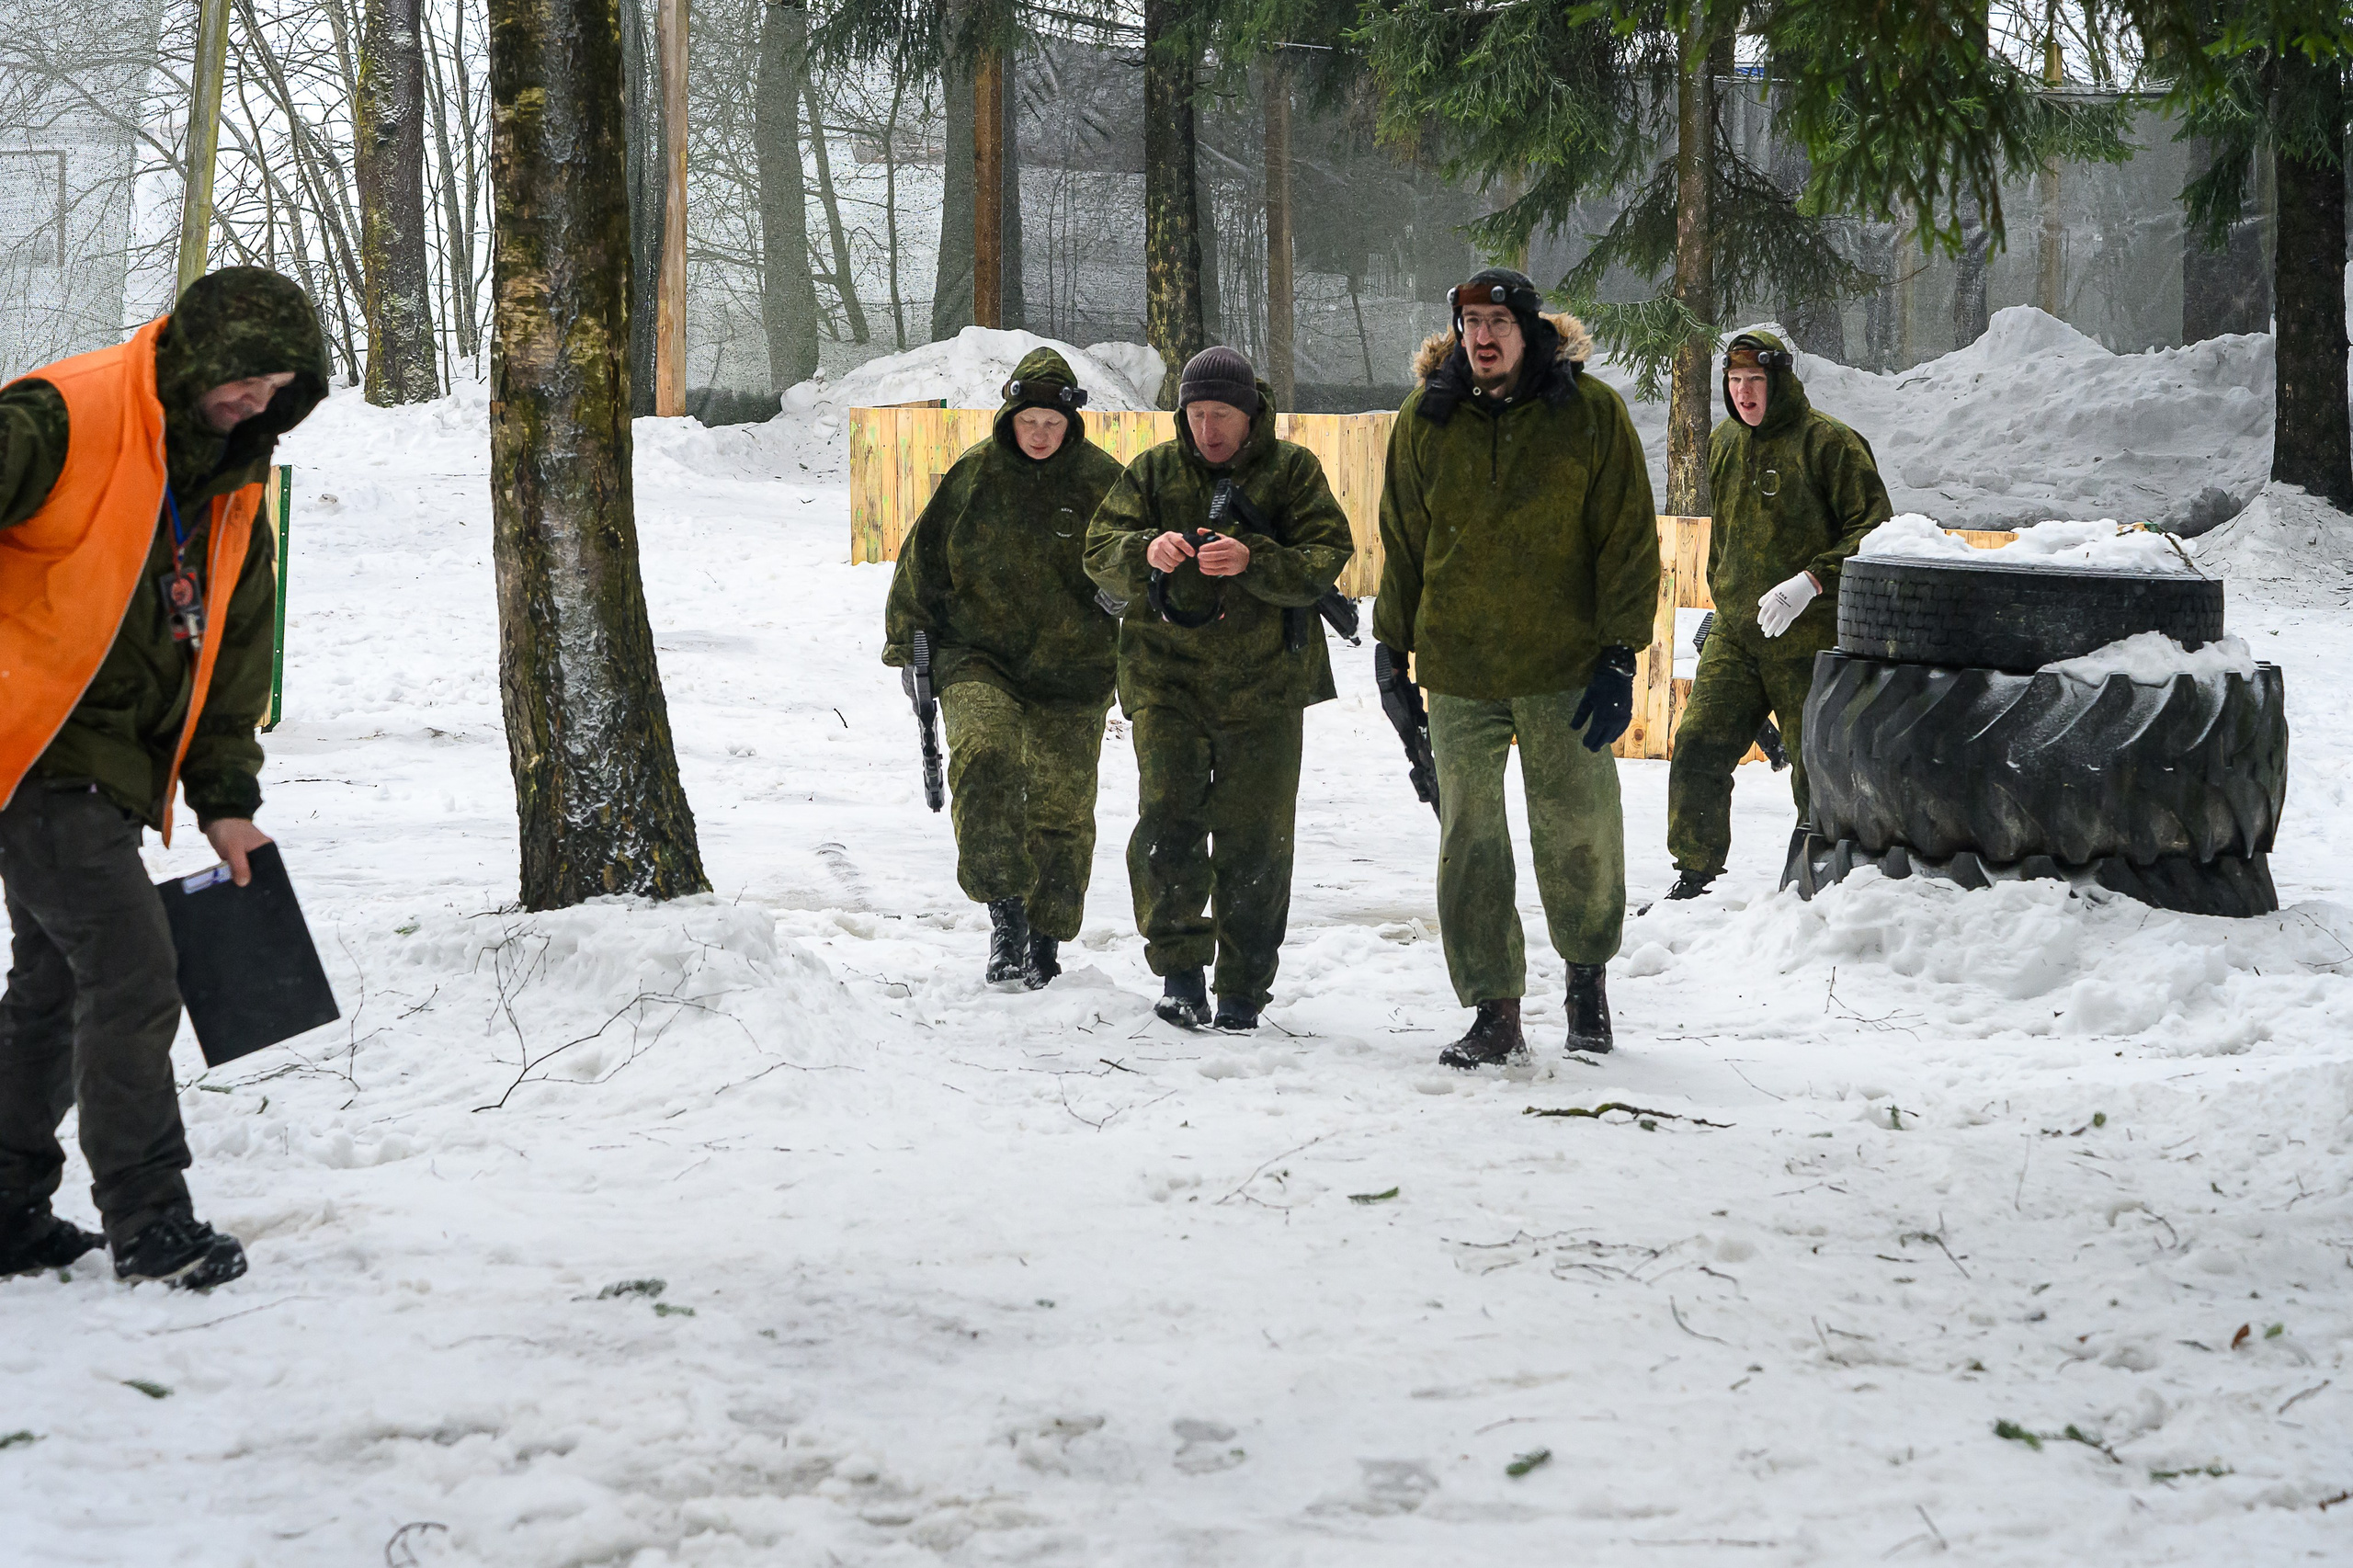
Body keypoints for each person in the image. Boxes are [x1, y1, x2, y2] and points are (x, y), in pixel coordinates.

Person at [0, 267, 328, 1289]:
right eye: (244, 378)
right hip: (32, 752)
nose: (257, 401)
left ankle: (5, 1208)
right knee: (136, 973)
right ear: (196, 356)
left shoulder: (234, 492)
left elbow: (231, 660)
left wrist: (227, 806)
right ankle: (150, 1219)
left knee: (57, 983)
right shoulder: (66, 414)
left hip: (105, 771)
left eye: (279, 385)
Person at [1373, 267, 1661, 1069]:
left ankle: (1585, 980)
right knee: (1470, 841)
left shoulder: (1590, 414)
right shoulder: (1425, 419)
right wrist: (1392, 657)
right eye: (1469, 322)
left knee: (1579, 833)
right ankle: (1494, 1010)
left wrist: (1617, 655)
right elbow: (1402, 543)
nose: (1483, 336)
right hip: (1461, 668)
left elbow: (1628, 540)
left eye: (1497, 321)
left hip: (1564, 665)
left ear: (1530, 329)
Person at [1085, 347, 1353, 1031]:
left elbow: (1327, 557)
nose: (1208, 429)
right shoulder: (1151, 471)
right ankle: (1179, 972)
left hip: (1265, 687)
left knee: (1257, 841)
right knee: (1167, 821)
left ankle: (1242, 988)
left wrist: (1253, 558)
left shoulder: (1292, 472)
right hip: (1165, 679)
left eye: (1222, 415)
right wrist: (1144, 549)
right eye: (1197, 414)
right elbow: (1098, 551)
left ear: (1251, 412)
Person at [883, 349, 1127, 988]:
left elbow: (1145, 563)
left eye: (1052, 422)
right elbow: (923, 562)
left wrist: (1128, 602)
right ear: (1010, 418)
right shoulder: (974, 477)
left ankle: (1046, 939)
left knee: (1063, 807)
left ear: (1070, 423)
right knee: (986, 755)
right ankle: (1007, 916)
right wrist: (910, 645)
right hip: (978, 657)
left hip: (1075, 669)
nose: (1041, 433)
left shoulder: (1105, 483)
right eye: (1029, 421)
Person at [1665, 329, 1892, 899]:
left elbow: (1876, 529)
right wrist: (1724, 596)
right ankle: (1694, 874)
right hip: (1740, 634)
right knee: (1698, 742)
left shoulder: (1829, 444)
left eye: (1755, 381)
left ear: (1780, 382)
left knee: (1814, 766)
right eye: (1734, 381)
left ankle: (1819, 880)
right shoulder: (1723, 443)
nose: (1743, 393)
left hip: (1809, 637)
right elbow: (1726, 537)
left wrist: (1812, 580)